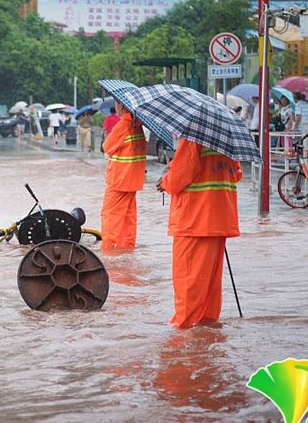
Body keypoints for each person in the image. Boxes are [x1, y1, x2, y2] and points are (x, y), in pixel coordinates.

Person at [156, 139, 243, 328]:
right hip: (219, 218)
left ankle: (184, 329)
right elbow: (236, 174)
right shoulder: (226, 141)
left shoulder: (192, 140)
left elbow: (180, 177)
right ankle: (207, 323)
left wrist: (165, 182)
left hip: (194, 220)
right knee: (210, 282)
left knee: (188, 279)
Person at [100, 100, 146, 250]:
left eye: (116, 103)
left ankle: (109, 251)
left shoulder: (123, 125)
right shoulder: (137, 126)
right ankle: (126, 249)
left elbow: (106, 147)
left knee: (110, 216)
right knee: (128, 218)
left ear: (121, 105)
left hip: (119, 180)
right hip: (133, 180)